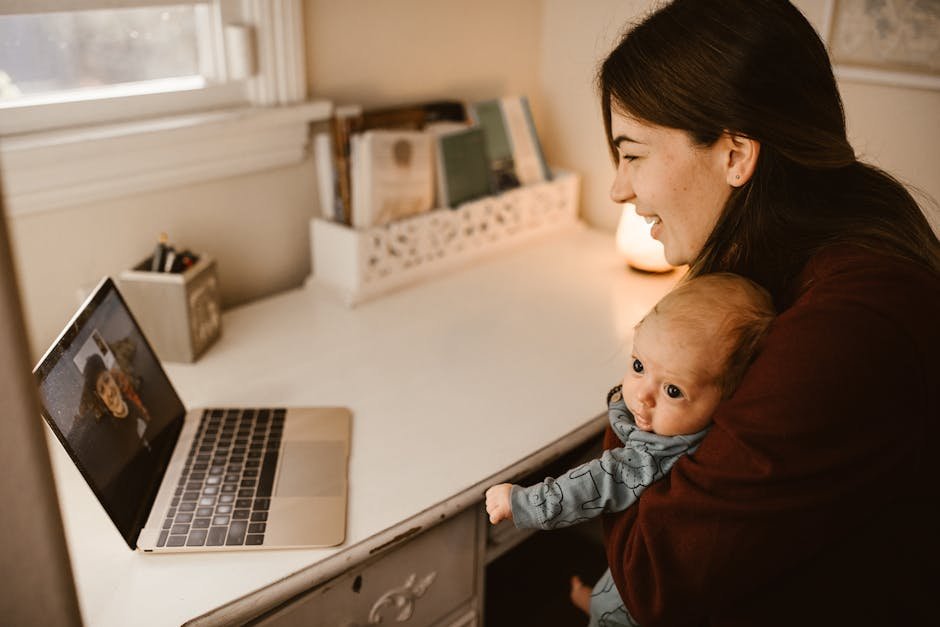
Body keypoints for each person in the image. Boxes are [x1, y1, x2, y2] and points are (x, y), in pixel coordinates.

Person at [584, 0, 940, 624]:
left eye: (633, 154)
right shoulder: (821, 250)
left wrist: (645, 381)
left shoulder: (847, 326)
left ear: (736, 154)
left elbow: (652, 576)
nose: (619, 187)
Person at [485, 273, 776, 626]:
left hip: (639, 611)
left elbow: (594, 485)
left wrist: (522, 503)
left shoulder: (655, 453)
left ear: (728, 398)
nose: (642, 395)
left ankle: (599, 613)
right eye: (639, 366)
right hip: (647, 574)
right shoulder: (695, 429)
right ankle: (596, 602)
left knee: (617, 607)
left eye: (673, 391)